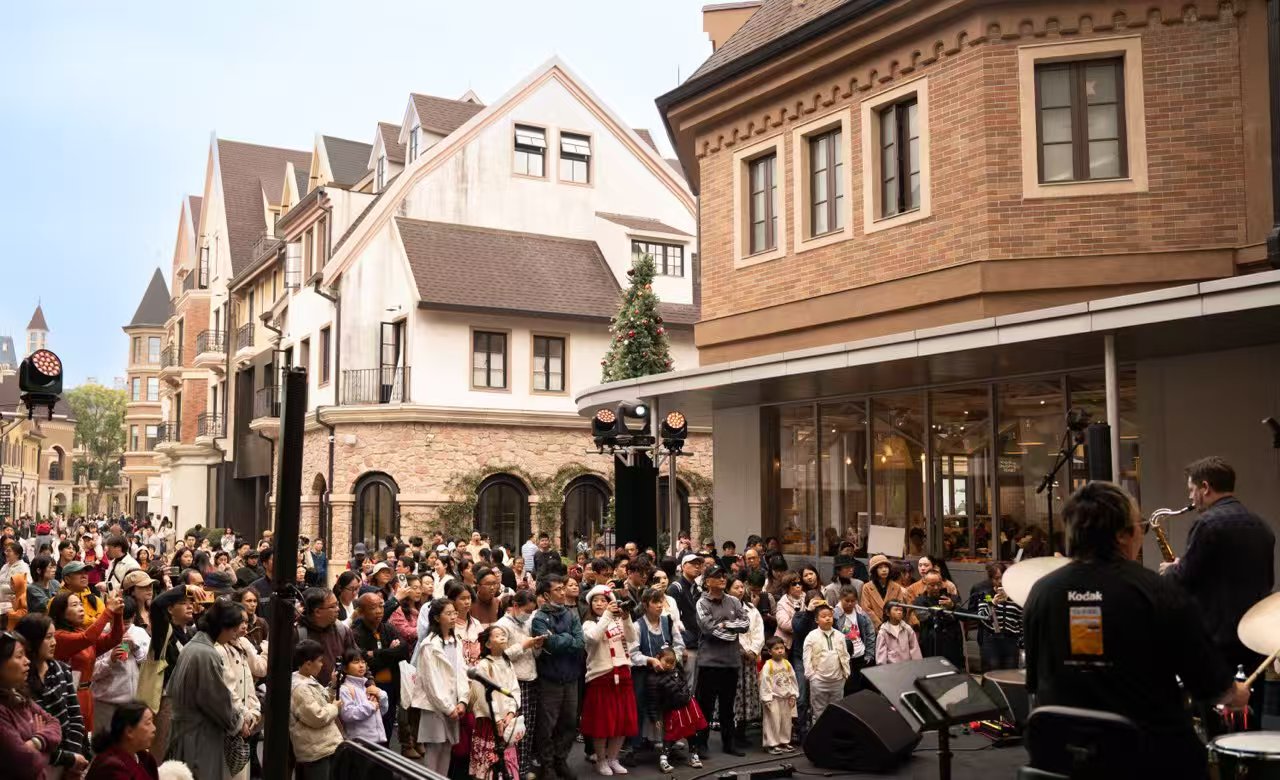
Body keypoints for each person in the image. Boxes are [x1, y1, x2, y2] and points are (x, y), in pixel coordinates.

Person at [1024, 481, 1248, 779]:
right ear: (1123, 534)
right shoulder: (1158, 591)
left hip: (1064, 761)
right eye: (1139, 527)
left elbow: (1033, 683)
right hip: (1150, 762)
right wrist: (1235, 693)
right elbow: (1209, 685)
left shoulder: (1041, 593)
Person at [1163, 456, 1275, 726]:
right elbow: (1267, 581)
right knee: (1250, 720)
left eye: (1191, 490)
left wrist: (1170, 569)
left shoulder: (1207, 524)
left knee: (1216, 723)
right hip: (1252, 639)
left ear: (1205, 487)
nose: (1190, 497)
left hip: (1216, 640)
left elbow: (1184, 579)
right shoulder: (1262, 526)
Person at [164, 599, 245, 779]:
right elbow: (217, 702)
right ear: (223, 627)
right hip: (198, 736)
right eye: (233, 630)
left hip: (187, 731)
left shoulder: (193, 646)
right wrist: (239, 723)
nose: (234, 635)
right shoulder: (205, 653)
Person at [14, 613, 89, 776]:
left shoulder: (61, 669)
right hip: (41, 761)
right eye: (48, 637)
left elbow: (75, 717)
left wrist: (73, 757)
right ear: (32, 641)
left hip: (70, 757)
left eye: (54, 636)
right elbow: (30, 734)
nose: (54, 642)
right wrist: (65, 758)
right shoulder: (20, 681)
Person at [531, 575, 585, 780]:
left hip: (571, 677)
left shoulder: (571, 614)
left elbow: (580, 643)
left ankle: (560, 759)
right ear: (546, 595)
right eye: (558, 589)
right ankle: (547, 765)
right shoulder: (539, 618)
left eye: (564, 588)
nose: (563, 592)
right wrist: (567, 639)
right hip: (550, 679)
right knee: (547, 725)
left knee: (569, 722)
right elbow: (550, 644)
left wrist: (561, 639)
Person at [581, 585, 638, 776]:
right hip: (601, 676)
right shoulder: (589, 624)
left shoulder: (618, 621)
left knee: (621, 721)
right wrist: (607, 615)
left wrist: (626, 617)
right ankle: (601, 759)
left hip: (623, 674)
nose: (599, 604)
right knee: (602, 722)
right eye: (595, 601)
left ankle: (614, 758)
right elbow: (593, 638)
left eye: (603, 600)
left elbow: (632, 638)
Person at [693, 565, 748, 758]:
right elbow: (709, 629)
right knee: (705, 706)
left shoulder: (734, 601)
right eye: (717, 576)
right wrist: (732, 631)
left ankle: (729, 743)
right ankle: (701, 744)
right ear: (707, 581)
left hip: (731, 662)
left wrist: (725, 624)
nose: (723, 579)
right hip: (709, 663)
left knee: (728, 706)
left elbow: (745, 623)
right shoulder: (702, 603)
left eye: (724, 575)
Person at [50, 588, 125, 729]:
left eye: (80, 604)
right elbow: (87, 638)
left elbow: (114, 639)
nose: (81, 608)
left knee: (87, 737)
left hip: (87, 693)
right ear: (61, 612)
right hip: (70, 696)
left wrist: (118, 614)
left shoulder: (80, 632)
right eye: (74, 605)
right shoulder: (58, 636)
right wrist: (108, 611)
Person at [409, 598, 468, 777]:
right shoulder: (429, 645)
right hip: (435, 706)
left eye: (454, 613)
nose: (453, 617)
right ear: (436, 618)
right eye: (448, 613)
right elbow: (431, 682)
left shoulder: (456, 641)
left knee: (447, 747)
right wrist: (447, 707)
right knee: (435, 748)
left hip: (454, 704)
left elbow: (461, 672)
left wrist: (463, 700)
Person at [0, 630, 62, 779]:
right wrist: (46, 749)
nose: (27, 661)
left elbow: (54, 723)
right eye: (19, 656)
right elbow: (27, 764)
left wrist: (36, 741)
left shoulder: (18, 693)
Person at [496, 591, 543, 778]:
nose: (529, 614)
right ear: (515, 606)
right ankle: (511, 771)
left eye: (532, 611)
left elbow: (533, 655)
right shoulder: (502, 625)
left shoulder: (527, 623)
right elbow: (500, 656)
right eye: (527, 610)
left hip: (531, 678)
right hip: (514, 682)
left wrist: (536, 646)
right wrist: (524, 645)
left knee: (527, 728)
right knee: (513, 729)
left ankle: (522, 769)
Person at [350, 593, 407, 742]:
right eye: (373, 608)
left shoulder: (388, 628)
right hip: (371, 687)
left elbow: (403, 650)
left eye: (381, 606)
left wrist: (376, 653)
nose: (379, 611)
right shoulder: (356, 634)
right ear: (361, 612)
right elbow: (369, 663)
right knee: (372, 731)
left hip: (392, 685)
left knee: (388, 729)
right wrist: (391, 652)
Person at [88, 598, 151, 731]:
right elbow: (90, 673)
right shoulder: (99, 634)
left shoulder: (140, 633)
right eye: (118, 622)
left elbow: (149, 666)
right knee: (104, 741)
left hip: (132, 704)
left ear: (133, 617)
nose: (122, 627)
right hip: (105, 704)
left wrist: (136, 649)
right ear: (111, 616)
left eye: (126, 623)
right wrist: (110, 660)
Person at [468, 625, 522, 780]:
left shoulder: (507, 662)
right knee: (489, 765)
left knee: (507, 763)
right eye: (497, 636)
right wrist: (497, 718)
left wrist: (511, 712)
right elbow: (483, 696)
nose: (502, 637)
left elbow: (514, 689)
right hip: (490, 722)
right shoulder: (483, 665)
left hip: (507, 721)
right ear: (488, 644)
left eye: (503, 635)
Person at [646, 646, 706, 773]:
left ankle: (694, 755)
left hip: (687, 704)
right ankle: (663, 759)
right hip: (672, 709)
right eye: (666, 661)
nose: (669, 665)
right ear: (658, 658)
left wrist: (687, 694)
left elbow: (684, 679)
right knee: (670, 734)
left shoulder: (677, 669)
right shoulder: (653, 678)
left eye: (672, 662)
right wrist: (655, 718)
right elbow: (653, 700)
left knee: (692, 731)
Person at [290, 640, 343, 780]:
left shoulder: (307, 679)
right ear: (308, 664)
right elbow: (316, 716)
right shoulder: (300, 688)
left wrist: (333, 685)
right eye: (319, 661)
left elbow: (321, 700)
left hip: (321, 747)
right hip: (315, 751)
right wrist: (334, 707)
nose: (322, 664)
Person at [294, 588, 356, 688]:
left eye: (337, 604)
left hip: (339, 691)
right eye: (333, 606)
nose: (338, 609)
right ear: (317, 612)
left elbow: (356, 658)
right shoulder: (297, 634)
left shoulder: (342, 630)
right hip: (308, 693)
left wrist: (370, 683)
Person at [84, 701, 160, 780]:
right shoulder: (111, 767)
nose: (154, 729)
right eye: (148, 723)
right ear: (129, 731)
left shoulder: (145, 758)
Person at [803, 602, 850, 723]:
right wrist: (811, 676)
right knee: (819, 711)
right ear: (816, 620)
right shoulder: (811, 636)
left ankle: (834, 732)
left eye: (829, 616)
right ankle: (819, 733)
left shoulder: (840, 635)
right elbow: (806, 658)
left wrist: (846, 673)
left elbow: (845, 655)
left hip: (837, 680)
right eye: (823, 616)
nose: (828, 618)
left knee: (837, 709)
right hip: (819, 680)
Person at [728, 579, 763, 742]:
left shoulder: (751, 608)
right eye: (736, 587)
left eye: (742, 587)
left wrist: (753, 650)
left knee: (747, 692)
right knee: (734, 693)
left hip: (750, 657)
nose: (740, 590)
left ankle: (742, 731)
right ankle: (730, 732)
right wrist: (742, 649)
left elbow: (758, 630)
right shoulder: (725, 607)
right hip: (733, 656)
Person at [970, 563, 1022, 672]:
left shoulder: (1016, 595)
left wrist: (1021, 640)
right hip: (992, 640)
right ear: (991, 579)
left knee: (1010, 673)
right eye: (996, 578)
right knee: (992, 672)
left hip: (1011, 641)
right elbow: (982, 617)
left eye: (1002, 577)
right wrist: (993, 603)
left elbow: (1021, 618)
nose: (1000, 581)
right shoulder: (987, 595)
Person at [336, 647, 388, 746]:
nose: (361, 665)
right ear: (345, 668)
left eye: (363, 662)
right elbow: (347, 714)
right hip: (360, 743)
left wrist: (381, 695)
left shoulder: (367, 686)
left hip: (378, 740)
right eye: (356, 662)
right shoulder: (345, 689)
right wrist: (370, 706)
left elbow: (382, 711)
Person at [912, 572, 964, 671]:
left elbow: (962, 615)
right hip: (930, 642)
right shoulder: (919, 601)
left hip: (952, 642)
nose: (936, 588)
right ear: (925, 584)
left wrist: (952, 606)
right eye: (932, 585)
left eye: (939, 584)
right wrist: (947, 614)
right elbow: (926, 618)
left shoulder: (953, 598)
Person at [758, 636, 798, 756]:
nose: (780, 651)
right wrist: (767, 699)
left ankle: (784, 741)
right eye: (776, 648)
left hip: (785, 697)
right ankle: (772, 744)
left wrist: (793, 695)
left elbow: (792, 679)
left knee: (786, 721)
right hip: (773, 698)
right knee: (772, 721)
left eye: (782, 648)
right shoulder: (768, 665)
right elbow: (765, 682)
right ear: (770, 652)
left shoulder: (787, 664)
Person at [860, 555, 907, 631]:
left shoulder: (896, 587)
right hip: (873, 628)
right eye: (880, 567)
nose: (884, 570)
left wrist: (891, 624)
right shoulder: (867, 587)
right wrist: (879, 625)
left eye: (886, 567)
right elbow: (866, 609)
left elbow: (900, 606)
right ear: (874, 570)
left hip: (893, 626)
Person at [1, 541, 30, 630]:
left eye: (9, 551)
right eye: (5, 551)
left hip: (12, 604)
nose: (6, 553)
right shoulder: (5, 566)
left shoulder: (23, 567)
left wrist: (4, 588)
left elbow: (25, 586)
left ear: (17, 554)